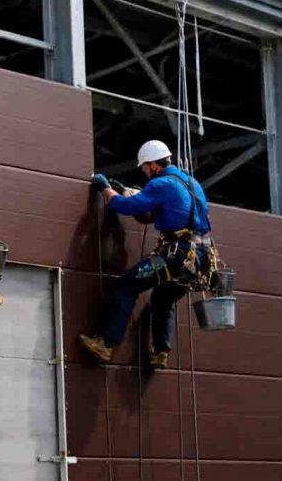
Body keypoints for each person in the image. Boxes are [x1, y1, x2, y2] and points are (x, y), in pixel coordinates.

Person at [78, 140, 213, 369]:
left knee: (128, 284)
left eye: (145, 168)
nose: (145, 173)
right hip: (199, 260)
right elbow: (163, 214)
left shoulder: (162, 184)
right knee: (163, 297)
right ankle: (160, 352)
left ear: (153, 165)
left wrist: (105, 188)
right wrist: (126, 192)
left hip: (177, 256)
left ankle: (105, 343)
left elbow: (124, 207)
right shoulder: (192, 184)